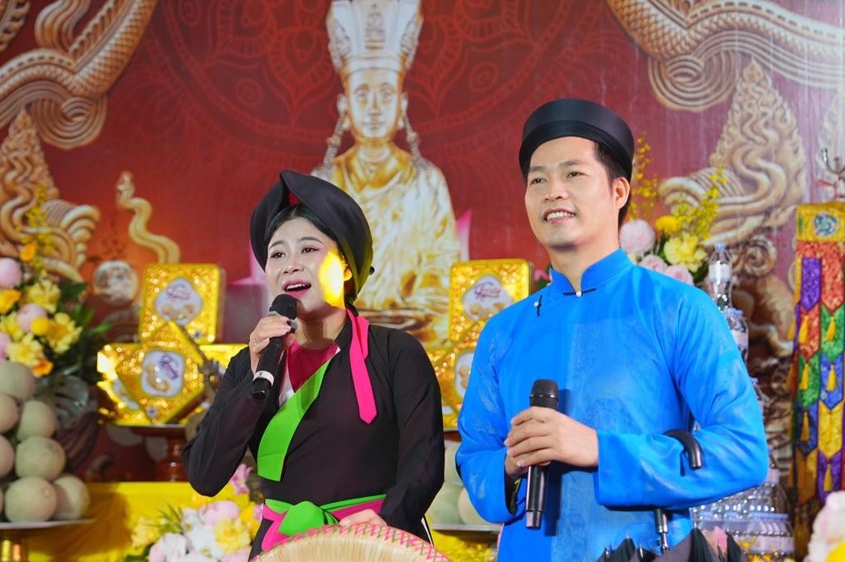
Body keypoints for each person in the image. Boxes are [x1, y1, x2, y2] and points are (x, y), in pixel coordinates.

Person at [455, 98, 769, 560]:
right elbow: (474, 459)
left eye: (573, 174)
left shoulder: (678, 309)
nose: (552, 191)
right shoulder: (503, 332)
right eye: (537, 180)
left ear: (619, 191)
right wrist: (509, 464)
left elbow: (743, 451)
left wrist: (600, 450)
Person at [182, 169, 444, 558]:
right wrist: (253, 379)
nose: (290, 264)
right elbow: (204, 475)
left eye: (308, 249)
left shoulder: (395, 352)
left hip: (373, 545)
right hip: (283, 549)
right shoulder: (251, 361)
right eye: (277, 254)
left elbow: (424, 462)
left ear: (346, 266)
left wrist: (387, 520)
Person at [314, 0, 460, 345]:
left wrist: (413, 312)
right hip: (339, 334)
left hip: (414, 335)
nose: (375, 109)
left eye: (385, 94)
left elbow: (442, 269)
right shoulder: (323, 183)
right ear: (344, 106)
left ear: (402, 104)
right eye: (362, 95)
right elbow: (310, 268)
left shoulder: (427, 182)